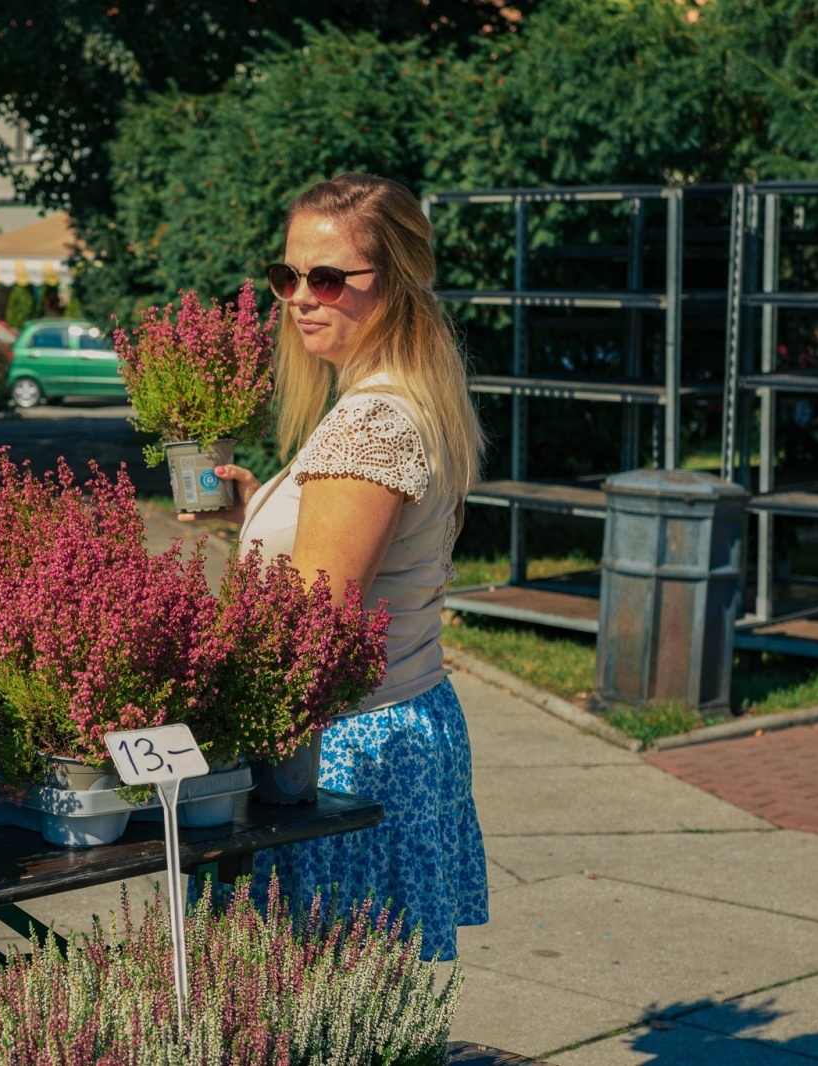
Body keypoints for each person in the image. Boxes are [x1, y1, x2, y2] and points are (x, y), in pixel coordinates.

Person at [184, 173, 488, 960]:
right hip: (391, 724)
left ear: (396, 283)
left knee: (305, 1006)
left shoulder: (370, 425)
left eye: (328, 278)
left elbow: (312, 624)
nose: (299, 298)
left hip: (341, 752)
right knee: (350, 1011)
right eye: (287, 276)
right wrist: (258, 514)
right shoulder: (400, 399)